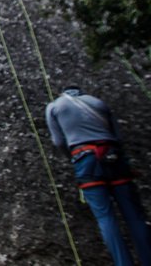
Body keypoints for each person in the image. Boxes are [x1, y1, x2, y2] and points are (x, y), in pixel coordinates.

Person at [45, 85, 151, 266]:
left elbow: (58, 141)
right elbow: (118, 137)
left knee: (105, 217)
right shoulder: (98, 103)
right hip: (113, 157)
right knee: (134, 216)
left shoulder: (55, 106)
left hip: (85, 159)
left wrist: (73, 158)